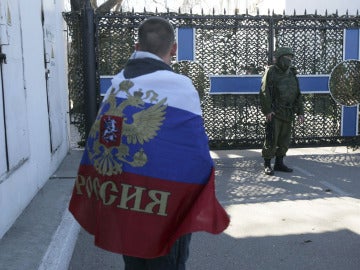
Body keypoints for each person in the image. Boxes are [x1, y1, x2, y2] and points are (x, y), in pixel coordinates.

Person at [68, 17, 229, 270]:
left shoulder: (118, 86)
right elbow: (195, 154)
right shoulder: (182, 88)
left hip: (127, 200)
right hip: (165, 206)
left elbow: (102, 143)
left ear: (136, 46)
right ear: (173, 49)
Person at [259, 47, 304, 176]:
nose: (289, 60)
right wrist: (268, 110)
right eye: (287, 58)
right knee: (272, 138)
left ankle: (279, 163)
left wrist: (300, 112)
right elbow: (264, 91)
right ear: (279, 58)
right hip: (275, 112)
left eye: (291, 58)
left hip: (288, 112)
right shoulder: (271, 72)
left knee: (284, 140)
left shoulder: (292, 73)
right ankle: (267, 164)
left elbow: (297, 93)